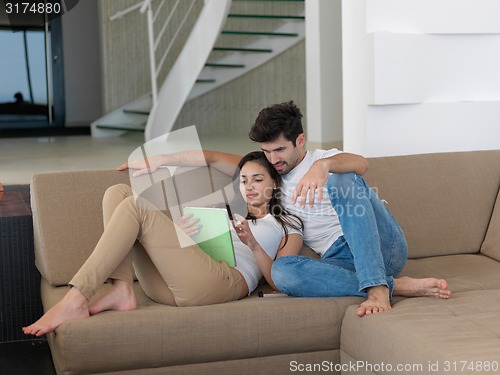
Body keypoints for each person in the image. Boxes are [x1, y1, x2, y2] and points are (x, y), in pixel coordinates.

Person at [117, 101, 452, 317]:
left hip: (383, 246)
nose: (273, 159)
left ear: (300, 141)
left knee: (342, 179)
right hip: (338, 259)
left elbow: (361, 164)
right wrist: (158, 159)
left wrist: (325, 168)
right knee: (283, 272)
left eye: (279, 150)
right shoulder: (270, 174)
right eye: (266, 151)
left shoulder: (324, 159)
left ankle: (378, 288)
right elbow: (210, 158)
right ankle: (396, 285)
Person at [23, 151, 304, 337]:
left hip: (226, 283)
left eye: (258, 179)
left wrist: (254, 245)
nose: (250, 186)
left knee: (136, 205)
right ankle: (122, 290)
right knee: (116, 193)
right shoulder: (233, 216)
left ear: (275, 185)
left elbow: (282, 282)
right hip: (183, 281)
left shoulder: (287, 225)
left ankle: (76, 298)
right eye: (244, 180)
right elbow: (211, 157)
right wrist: (182, 236)